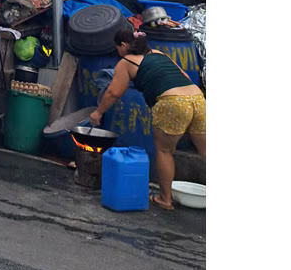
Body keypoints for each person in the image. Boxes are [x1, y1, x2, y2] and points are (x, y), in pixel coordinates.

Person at [88, 24, 206, 211]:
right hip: (197, 98)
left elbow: (113, 92)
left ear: (124, 45)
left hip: (172, 102)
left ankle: (165, 199)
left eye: (117, 48)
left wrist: (98, 112)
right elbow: (184, 75)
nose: (118, 52)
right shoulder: (158, 53)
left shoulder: (127, 62)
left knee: (165, 151)